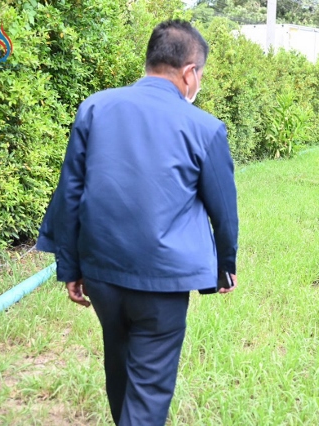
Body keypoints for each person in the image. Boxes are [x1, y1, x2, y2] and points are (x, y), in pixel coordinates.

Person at [36, 19, 239, 426]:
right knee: (148, 390)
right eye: (200, 75)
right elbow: (223, 209)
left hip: (101, 275)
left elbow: (69, 194)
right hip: (163, 284)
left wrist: (70, 268)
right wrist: (225, 265)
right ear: (189, 72)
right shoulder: (204, 128)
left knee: (120, 365)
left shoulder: (95, 108)